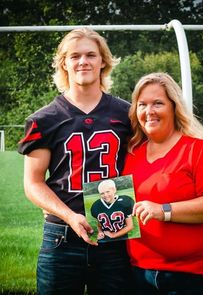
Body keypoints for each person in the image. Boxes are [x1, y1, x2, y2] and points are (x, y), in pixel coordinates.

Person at [18, 28, 132, 295]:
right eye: (75, 56)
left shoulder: (127, 113)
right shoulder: (44, 119)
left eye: (91, 55)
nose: (84, 62)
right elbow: (33, 183)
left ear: (103, 60)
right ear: (64, 63)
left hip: (113, 232)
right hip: (61, 237)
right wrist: (69, 215)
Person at [122, 72, 203, 295]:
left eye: (158, 103)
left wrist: (164, 211)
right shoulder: (132, 152)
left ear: (174, 106)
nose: (149, 111)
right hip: (141, 272)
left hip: (195, 276)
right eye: (142, 104)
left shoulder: (197, 147)